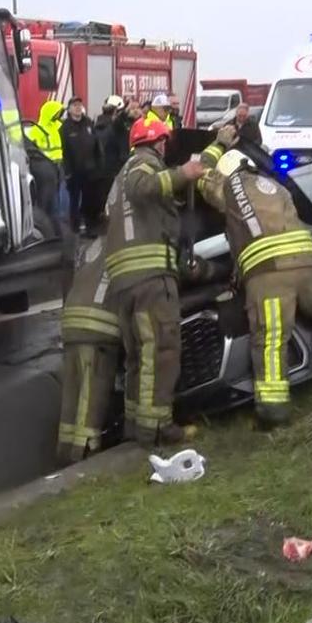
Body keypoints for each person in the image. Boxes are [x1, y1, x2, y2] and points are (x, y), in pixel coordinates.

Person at [197, 127, 312, 425]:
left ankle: (273, 413)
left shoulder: (227, 188)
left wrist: (217, 145)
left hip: (269, 274)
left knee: (270, 339)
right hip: (309, 264)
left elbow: (200, 172)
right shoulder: (275, 186)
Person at [104, 117, 205, 446]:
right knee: (161, 350)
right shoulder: (143, 164)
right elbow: (144, 187)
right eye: (164, 144)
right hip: (149, 279)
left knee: (139, 357)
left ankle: (137, 426)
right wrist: (183, 174)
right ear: (159, 143)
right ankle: (158, 429)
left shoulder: (119, 177)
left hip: (125, 281)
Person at [57, 237, 120, 464]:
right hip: (97, 328)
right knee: (91, 396)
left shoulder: (93, 245)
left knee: (71, 394)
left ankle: (64, 451)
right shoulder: (123, 243)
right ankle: (84, 453)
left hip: (71, 324)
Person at [89, 96, 132, 232]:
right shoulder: (114, 126)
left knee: (102, 200)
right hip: (113, 169)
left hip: (101, 170)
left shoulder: (97, 125)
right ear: (116, 112)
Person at [60, 97, 98, 234]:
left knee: (89, 200)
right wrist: (67, 171)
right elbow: (64, 151)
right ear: (69, 109)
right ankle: (74, 229)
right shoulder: (65, 127)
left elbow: (96, 144)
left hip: (90, 170)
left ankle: (89, 227)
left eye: (79, 105)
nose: (78, 107)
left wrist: (98, 163)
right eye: (74, 105)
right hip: (74, 171)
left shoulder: (88, 123)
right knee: (74, 201)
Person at [26, 100, 68, 223]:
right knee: (46, 198)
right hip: (45, 169)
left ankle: (57, 222)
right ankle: (44, 222)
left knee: (59, 198)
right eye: (57, 113)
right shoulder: (36, 130)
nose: (59, 116)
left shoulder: (58, 127)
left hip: (59, 166)